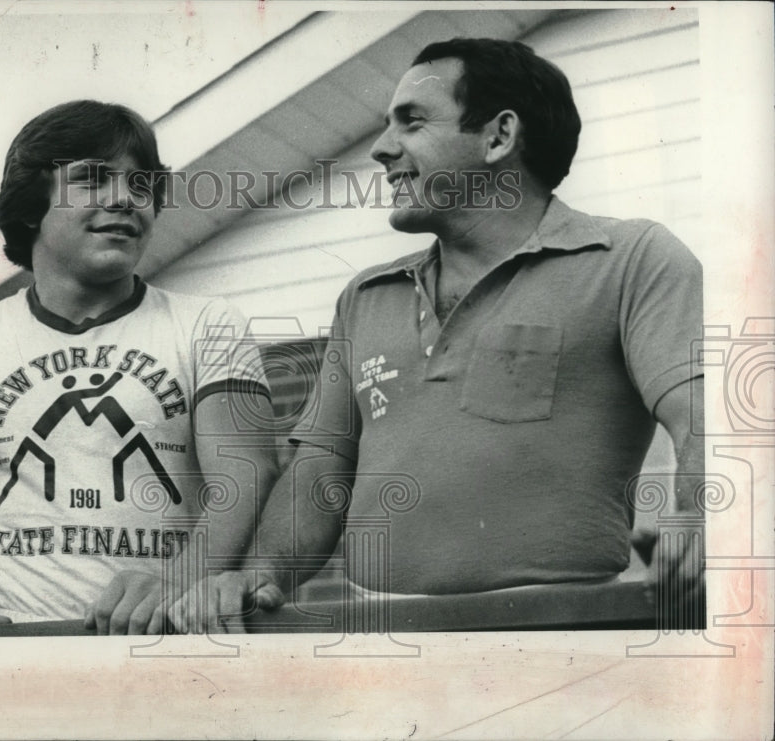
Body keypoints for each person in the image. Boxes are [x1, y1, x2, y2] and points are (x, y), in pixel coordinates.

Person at [171, 38, 705, 633]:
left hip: (561, 632)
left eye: (412, 122)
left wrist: (703, 514)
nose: (381, 149)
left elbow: (704, 414)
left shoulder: (631, 259)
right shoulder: (365, 297)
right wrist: (263, 571)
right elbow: (320, 470)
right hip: (379, 645)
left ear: (499, 137)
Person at [0, 100, 279, 636]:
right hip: (7, 649)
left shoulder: (207, 323)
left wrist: (180, 583)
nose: (125, 199)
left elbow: (245, 474)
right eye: (92, 179)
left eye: (141, 185)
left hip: (161, 642)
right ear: (30, 205)